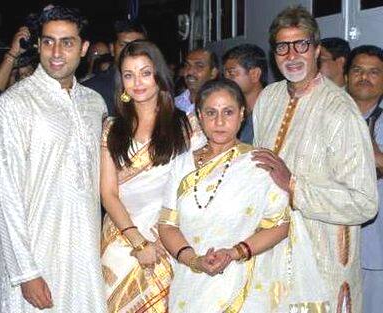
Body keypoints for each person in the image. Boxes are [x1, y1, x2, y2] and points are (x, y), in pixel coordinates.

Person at [158, 78, 329, 312]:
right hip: (190, 284)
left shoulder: (260, 164)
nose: (219, 121)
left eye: (228, 112)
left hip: (245, 283)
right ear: (199, 115)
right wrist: (194, 261)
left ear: (242, 114)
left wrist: (234, 253)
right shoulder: (181, 165)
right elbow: (167, 225)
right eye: (211, 112)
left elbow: (280, 225)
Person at [252, 6, 377, 312]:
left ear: (317, 50)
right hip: (271, 258)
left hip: (323, 266)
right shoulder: (269, 98)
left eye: (301, 45)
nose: (291, 55)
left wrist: (293, 186)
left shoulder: (340, 111)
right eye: (282, 46)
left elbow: (364, 202)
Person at [0, 6, 107, 312]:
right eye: (48, 41)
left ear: (83, 48)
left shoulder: (94, 104)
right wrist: (26, 272)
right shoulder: (14, 106)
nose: (56, 51)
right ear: (39, 45)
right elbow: (7, 196)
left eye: (67, 42)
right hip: (37, 257)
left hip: (85, 253)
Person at [100, 40, 205, 312]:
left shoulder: (186, 125)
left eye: (145, 72)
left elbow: (197, 187)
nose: (138, 82)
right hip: (121, 241)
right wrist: (138, 241)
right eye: (129, 74)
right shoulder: (112, 128)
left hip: (170, 238)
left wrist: (162, 240)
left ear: (159, 75)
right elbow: (108, 193)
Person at [346, 44, 383, 313]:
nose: (364, 77)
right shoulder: (332, 114)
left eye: (374, 72)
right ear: (346, 75)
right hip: (337, 236)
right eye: (357, 70)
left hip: (376, 241)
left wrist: (372, 151)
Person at [83, 19, 147, 115]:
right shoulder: (92, 90)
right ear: (112, 49)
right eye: (123, 45)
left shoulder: (154, 86)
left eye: (136, 46)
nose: (129, 51)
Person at [0, 26, 34, 120]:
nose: (22, 78)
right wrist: (12, 54)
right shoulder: (4, 110)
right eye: (15, 75)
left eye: (27, 74)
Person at [223, 44, 268, 143]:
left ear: (254, 74)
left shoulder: (272, 113)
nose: (226, 80)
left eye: (231, 73)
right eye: (225, 75)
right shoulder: (231, 111)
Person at [175, 48, 219, 114]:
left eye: (199, 66)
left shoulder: (220, 105)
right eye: (187, 65)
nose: (190, 71)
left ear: (213, 73)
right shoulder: (175, 104)